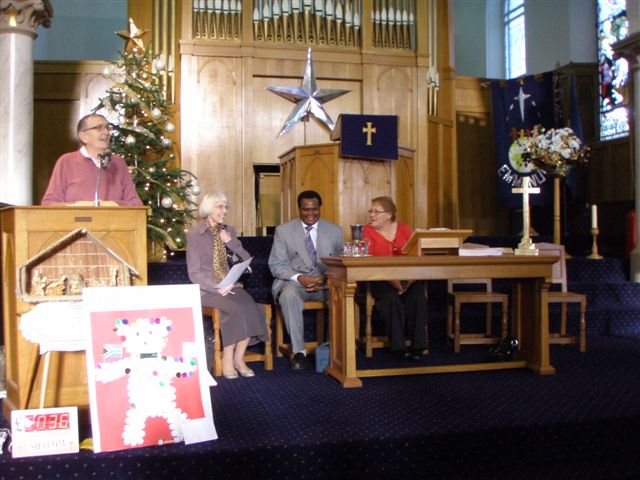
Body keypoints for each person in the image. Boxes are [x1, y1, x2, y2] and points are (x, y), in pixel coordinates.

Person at [187, 192, 268, 379]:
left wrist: (230, 242)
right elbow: (194, 273)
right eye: (220, 206)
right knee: (234, 308)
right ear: (208, 209)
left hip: (231, 285)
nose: (225, 211)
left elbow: (247, 259)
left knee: (250, 306)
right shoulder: (194, 235)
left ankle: (239, 360)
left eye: (226, 207)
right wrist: (216, 287)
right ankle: (227, 358)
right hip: (207, 290)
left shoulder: (229, 231)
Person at [268, 190, 344, 370]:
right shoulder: (283, 231)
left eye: (314, 209)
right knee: (288, 295)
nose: (310, 214)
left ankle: (331, 348)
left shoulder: (334, 231)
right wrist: (300, 278)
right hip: (295, 282)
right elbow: (276, 265)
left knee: (342, 296)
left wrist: (325, 277)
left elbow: (342, 262)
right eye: (306, 210)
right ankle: (299, 351)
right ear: (299, 209)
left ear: (320, 208)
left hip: (325, 283)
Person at [362, 196, 428, 360]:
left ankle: (418, 346)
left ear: (389, 214)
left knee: (418, 297)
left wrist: (407, 282)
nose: (371, 215)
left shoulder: (405, 230)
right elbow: (369, 259)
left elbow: (420, 256)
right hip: (380, 279)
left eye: (376, 211)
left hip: (409, 278)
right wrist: (395, 283)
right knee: (390, 299)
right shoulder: (366, 231)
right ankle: (398, 347)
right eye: (371, 211)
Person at [41, 113, 142, 206]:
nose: (106, 132)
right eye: (98, 128)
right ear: (83, 136)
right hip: (75, 224)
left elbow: (136, 203)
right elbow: (49, 203)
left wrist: (110, 205)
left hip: (112, 224)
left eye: (107, 128)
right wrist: (77, 206)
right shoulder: (66, 161)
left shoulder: (118, 163)